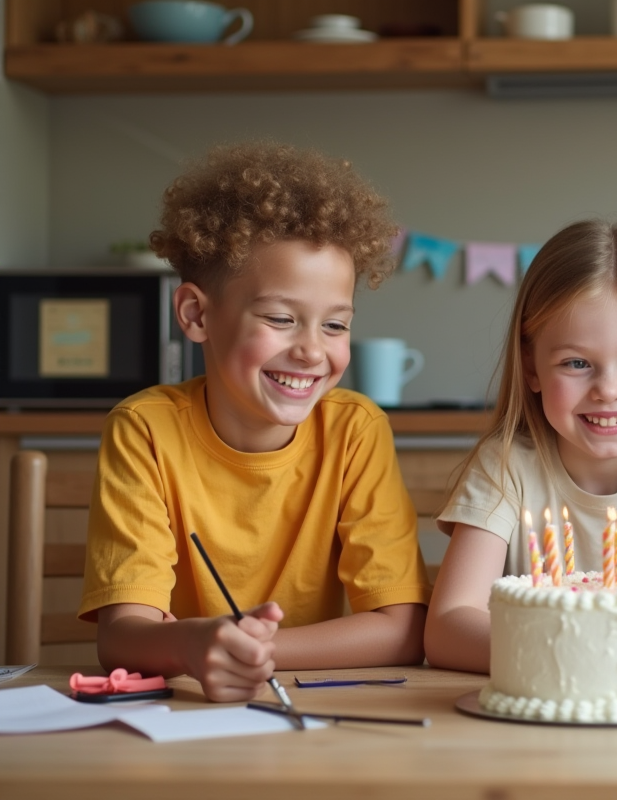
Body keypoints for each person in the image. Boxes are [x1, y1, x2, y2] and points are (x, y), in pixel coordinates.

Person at [80, 142, 431, 701]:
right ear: (197, 314)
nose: (313, 352)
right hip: (184, 718)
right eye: (281, 319)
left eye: (336, 326)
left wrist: (237, 649)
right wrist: (194, 646)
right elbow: (122, 636)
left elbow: (404, 629)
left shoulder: (356, 431)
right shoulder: (144, 429)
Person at [425, 220, 617, 674]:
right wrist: (578, 658)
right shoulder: (505, 468)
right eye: (576, 363)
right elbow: (447, 627)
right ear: (532, 366)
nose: (608, 389)